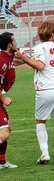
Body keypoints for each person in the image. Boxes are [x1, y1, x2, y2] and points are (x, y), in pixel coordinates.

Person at [15, 22, 54, 165]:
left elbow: (41, 66)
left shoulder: (39, 48)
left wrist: (23, 58)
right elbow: (43, 64)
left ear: (39, 35)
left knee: (40, 121)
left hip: (45, 89)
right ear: (53, 33)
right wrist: (22, 60)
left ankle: (45, 154)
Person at [0, 32, 19, 169]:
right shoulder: (1, 61)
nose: (16, 43)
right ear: (9, 44)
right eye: (14, 40)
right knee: (4, 133)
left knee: (6, 129)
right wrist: (4, 98)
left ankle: (1, 162)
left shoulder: (9, 56)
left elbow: (16, 60)